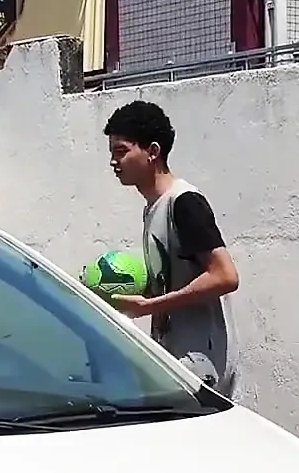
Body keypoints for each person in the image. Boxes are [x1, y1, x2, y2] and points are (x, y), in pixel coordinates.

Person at [101, 100, 241, 396]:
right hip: (175, 359)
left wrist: (150, 307)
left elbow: (225, 276)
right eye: (111, 152)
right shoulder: (153, 208)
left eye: (121, 151)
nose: (113, 162)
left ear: (153, 151)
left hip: (201, 366)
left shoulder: (184, 203)